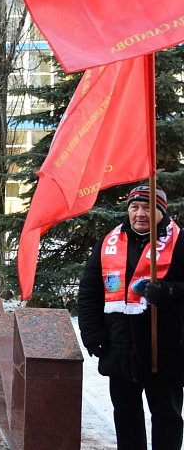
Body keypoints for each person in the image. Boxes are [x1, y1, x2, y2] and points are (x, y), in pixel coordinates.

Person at [79, 184, 184, 450]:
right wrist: (92, 334)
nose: (140, 213)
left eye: (148, 208)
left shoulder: (180, 242)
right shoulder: (108, 242)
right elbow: (90, 291)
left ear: (162, 211)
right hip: (120, 346)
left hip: (165, 349)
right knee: (126, 416)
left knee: (167, 416)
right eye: (134, 207)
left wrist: (168, 293)